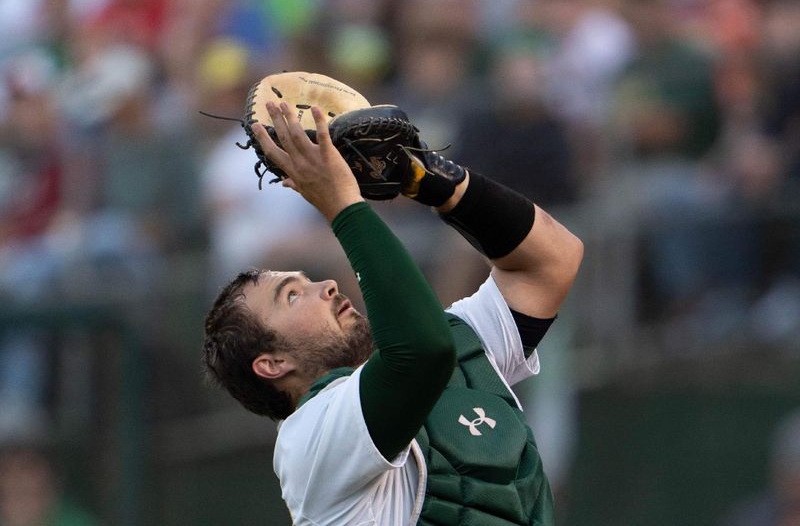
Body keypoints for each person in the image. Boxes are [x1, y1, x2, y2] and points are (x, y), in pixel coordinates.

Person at [202, 99, 584, 525]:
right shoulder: (309, 439)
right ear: (272, 363)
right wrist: (342, 206)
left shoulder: (453, 353)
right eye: (292, 295)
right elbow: (420, 352)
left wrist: (431, 180)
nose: (325, 286)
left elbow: (553, 260)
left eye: (308, 279)